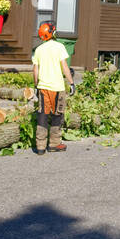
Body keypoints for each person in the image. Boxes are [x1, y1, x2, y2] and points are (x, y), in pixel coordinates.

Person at [31, 21, 73, 155]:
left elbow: (35, 70)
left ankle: (40, 146)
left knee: (42, 116)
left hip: (43, 87)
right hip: (57, 87)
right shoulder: (59, 47)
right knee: (57, 116)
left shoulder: (38, 50)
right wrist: (71, 83)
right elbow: (64, 67)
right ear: (52, 33)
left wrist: (36, 85)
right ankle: (54, 144)